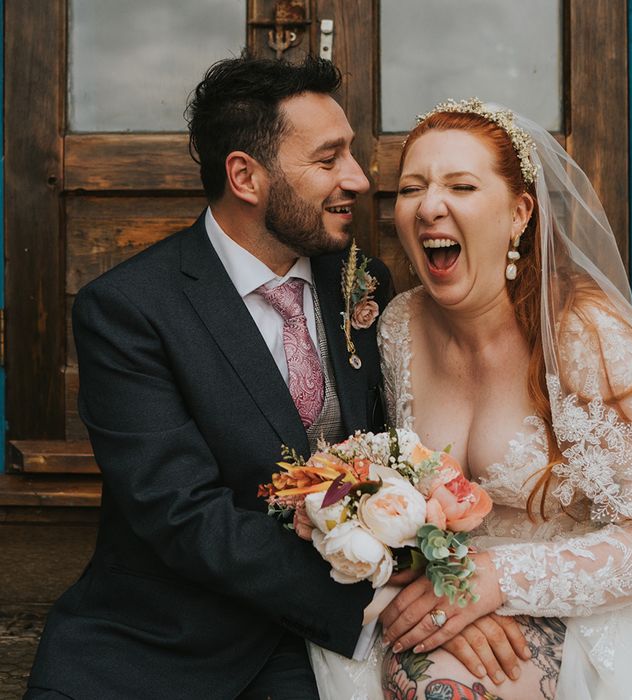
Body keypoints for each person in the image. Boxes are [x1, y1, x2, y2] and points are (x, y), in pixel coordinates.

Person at [311, 99, 632, 699]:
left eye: (462, 186)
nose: (428, 207)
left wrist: (498, 579)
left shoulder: (588, 336)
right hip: (448, 589)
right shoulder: (399, 325)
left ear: (520, 213)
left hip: (595, 599)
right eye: (411, 188)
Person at [24, 54, 391, 700]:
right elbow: (183, 516)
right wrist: (365, 610)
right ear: (246, 177)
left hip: (311, 656)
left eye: (352, 155)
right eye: (329, 160)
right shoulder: (130, 310)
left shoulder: (363, 285)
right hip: (163, 650)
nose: (358, 180)